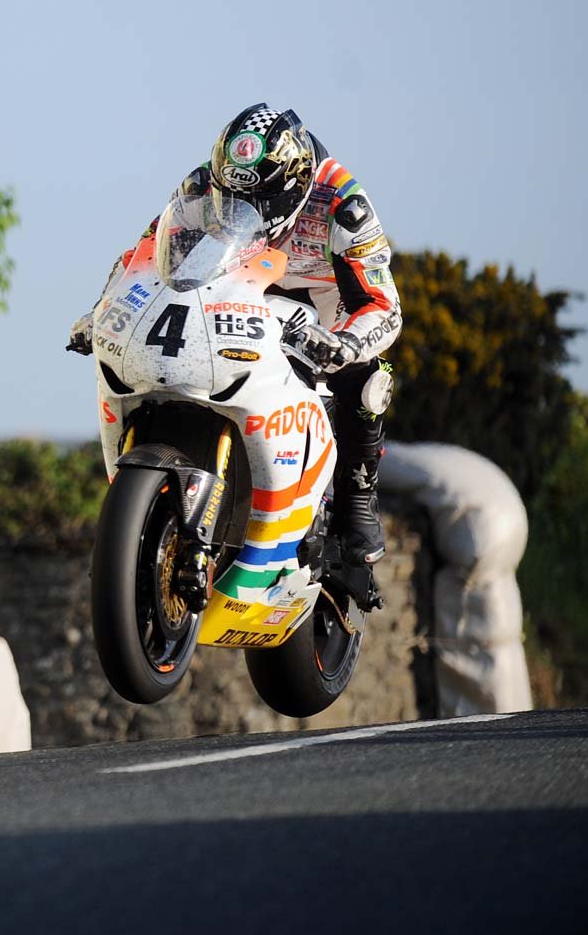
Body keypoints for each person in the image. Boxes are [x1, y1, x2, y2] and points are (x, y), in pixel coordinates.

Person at [68, 105, 401, 602]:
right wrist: (100, 313)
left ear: (292, 184)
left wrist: (347, 342)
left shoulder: (343, 202)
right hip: (239, 287)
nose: (245, 206)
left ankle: (357, 499)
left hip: (324, 301)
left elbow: (383, 305)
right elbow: (140, 257)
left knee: (368, 374)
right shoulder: (202, 187)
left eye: (259, 197)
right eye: (234, 195)